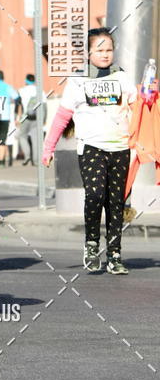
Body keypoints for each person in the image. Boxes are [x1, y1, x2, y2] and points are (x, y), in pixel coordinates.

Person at [42, 28, 137, 275]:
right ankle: (92, 244)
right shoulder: (78, 80)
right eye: (100, 50)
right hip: (92, 147)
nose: (105, 55)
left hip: (120, 147)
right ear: (88, 52)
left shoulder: (123, 78)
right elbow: (62, 117)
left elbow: (138, 111)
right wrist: (48, 147)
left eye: (109, 50)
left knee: (115, 202)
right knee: (95, 195)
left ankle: (115, 254)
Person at [0, 71, 19, 166]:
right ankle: (1, 161)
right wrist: (16, 112)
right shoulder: (8, 87)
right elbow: (17, 98)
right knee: (3, 139)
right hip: (5, 116)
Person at [16, 74, 42, 165]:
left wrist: (18, 118)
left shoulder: (21, 90)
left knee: (22, 136)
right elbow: (44, 105)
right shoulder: (39, 91)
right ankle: (36, 160)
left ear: (26, 81)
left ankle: (27, 156)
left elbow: (18, 105)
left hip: (24, 117)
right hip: (36, 118)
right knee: (35, 139)